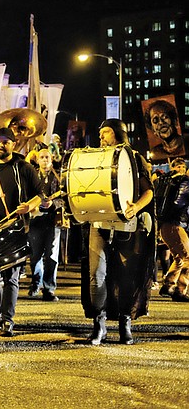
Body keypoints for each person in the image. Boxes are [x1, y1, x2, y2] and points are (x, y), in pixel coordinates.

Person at [83, 119, 154, 345]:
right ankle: (99, 325)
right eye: (101, 132)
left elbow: (148, 191)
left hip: (127, 227)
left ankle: (125, 324)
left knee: (126, 278)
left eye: (106, 132)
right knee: (97, 276)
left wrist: (136, 207)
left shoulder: (135, 158)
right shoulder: (95, 158)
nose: (101, 137)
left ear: (119, 134)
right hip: (99, 224)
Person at [0, 127, 43, 337]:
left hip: (16, 229)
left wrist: (28, 206)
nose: (1, 145)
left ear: (13, 144)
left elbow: (40, 194)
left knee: (11, 277)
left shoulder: (24, 168)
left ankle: (7, 320)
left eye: (6, 141)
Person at [27, 148, 62, 302]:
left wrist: (53, 204)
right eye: (41, 157)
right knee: (35, 255)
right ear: (37, 160)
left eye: (47, 157)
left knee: (52, 256)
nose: (45, 160)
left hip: (53, 220)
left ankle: (49, 289)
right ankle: (35, 283)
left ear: (52, 159)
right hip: (35, 220)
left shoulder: (59, 177)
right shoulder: (32, 176)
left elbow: (66, 197)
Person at [155, 158, 189, 302]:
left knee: (179, 258)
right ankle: (180, 290)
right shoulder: (184, 183)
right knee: (188, 257)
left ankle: (169, 286)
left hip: (166, 226)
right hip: (175, 225)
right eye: (179, 166)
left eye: (183, 166)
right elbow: (180, 202)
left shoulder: (167, 182)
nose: (182, 168)